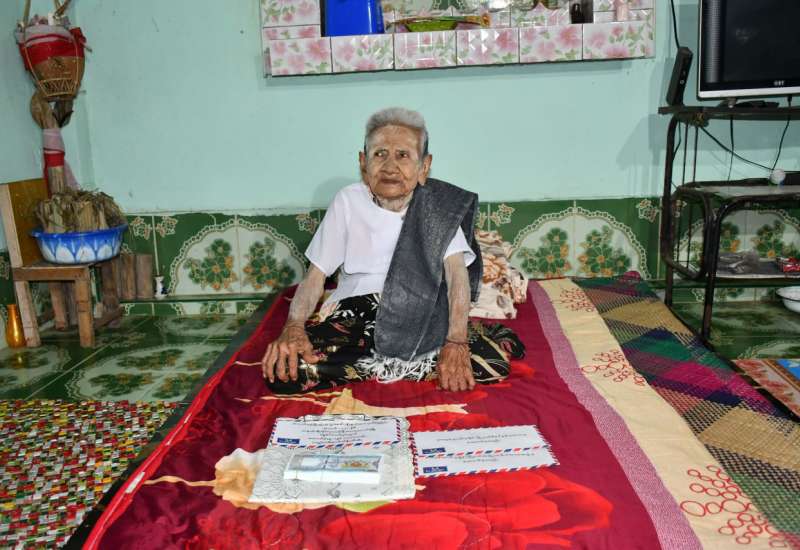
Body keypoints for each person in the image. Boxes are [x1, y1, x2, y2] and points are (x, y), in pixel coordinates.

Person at [261, 107, 523, 394]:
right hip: (355, 315)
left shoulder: (437, 207)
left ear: (424, 167)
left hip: (421, 314)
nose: (389, 166)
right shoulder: (347, 201)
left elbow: (457, 277)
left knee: (491, 364)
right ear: (363, 163)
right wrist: (294, 327)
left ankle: (382, 364)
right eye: (380, 154)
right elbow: (315, 277)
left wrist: (456, 341)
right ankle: (404, 365)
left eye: (403, 155)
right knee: (286, 371)